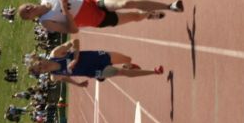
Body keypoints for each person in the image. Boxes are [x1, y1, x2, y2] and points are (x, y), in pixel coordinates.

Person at [18, 0, 183, 34]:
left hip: (92, 1)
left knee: (125, 3)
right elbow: (73, 30)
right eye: (27, 12)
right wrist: (66, 10)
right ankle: (148, 15)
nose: (28, 9)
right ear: (30, 18)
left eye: (26, 6)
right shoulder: (46, 22)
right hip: (95, 19)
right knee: (135, 16)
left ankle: (170, 6)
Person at [26, 38, 164, 87]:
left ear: (40, 58)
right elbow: (65, 78)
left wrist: (75, 58)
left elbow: (75, 41)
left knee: (127, 59)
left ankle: (127, 65)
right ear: (42, 73)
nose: (42, 67)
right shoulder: (54, 76)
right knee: (124, 73)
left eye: (40, 64)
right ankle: (154, 71)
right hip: (94, 72)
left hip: (95, 57)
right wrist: (78, 84)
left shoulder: (56, 53)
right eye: (40, 70)